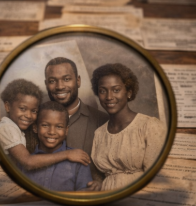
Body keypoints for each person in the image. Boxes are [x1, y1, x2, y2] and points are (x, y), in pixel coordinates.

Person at [90, 63, 167, 191]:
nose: (109, 97)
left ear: (129, 92)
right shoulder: (99, 133)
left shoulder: (149, 125)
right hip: (107, 199)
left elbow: (157, 178)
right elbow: (101, 176)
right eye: (103, 91)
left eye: (116, 90)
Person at [0, 79, 90, 171]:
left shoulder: (15, 128)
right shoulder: (7, 128)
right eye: (22, 108)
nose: (28, 115)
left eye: (34, 111)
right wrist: (67, 154)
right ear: (7, 107)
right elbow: (28, 162)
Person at [44, 57, 108, 181]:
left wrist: (101, 182)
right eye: (52, 81)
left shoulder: (103, 120)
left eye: (66, 79)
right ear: (46, 84)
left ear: (78, 81)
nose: (60, 86)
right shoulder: (34, 120)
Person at [22, 101, 93, 191]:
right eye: (45, 125)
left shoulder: (78, 161)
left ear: (66, 130)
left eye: (59, 127)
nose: (52, 132)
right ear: (35, 128)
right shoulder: (24, 162)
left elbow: (84, 196)